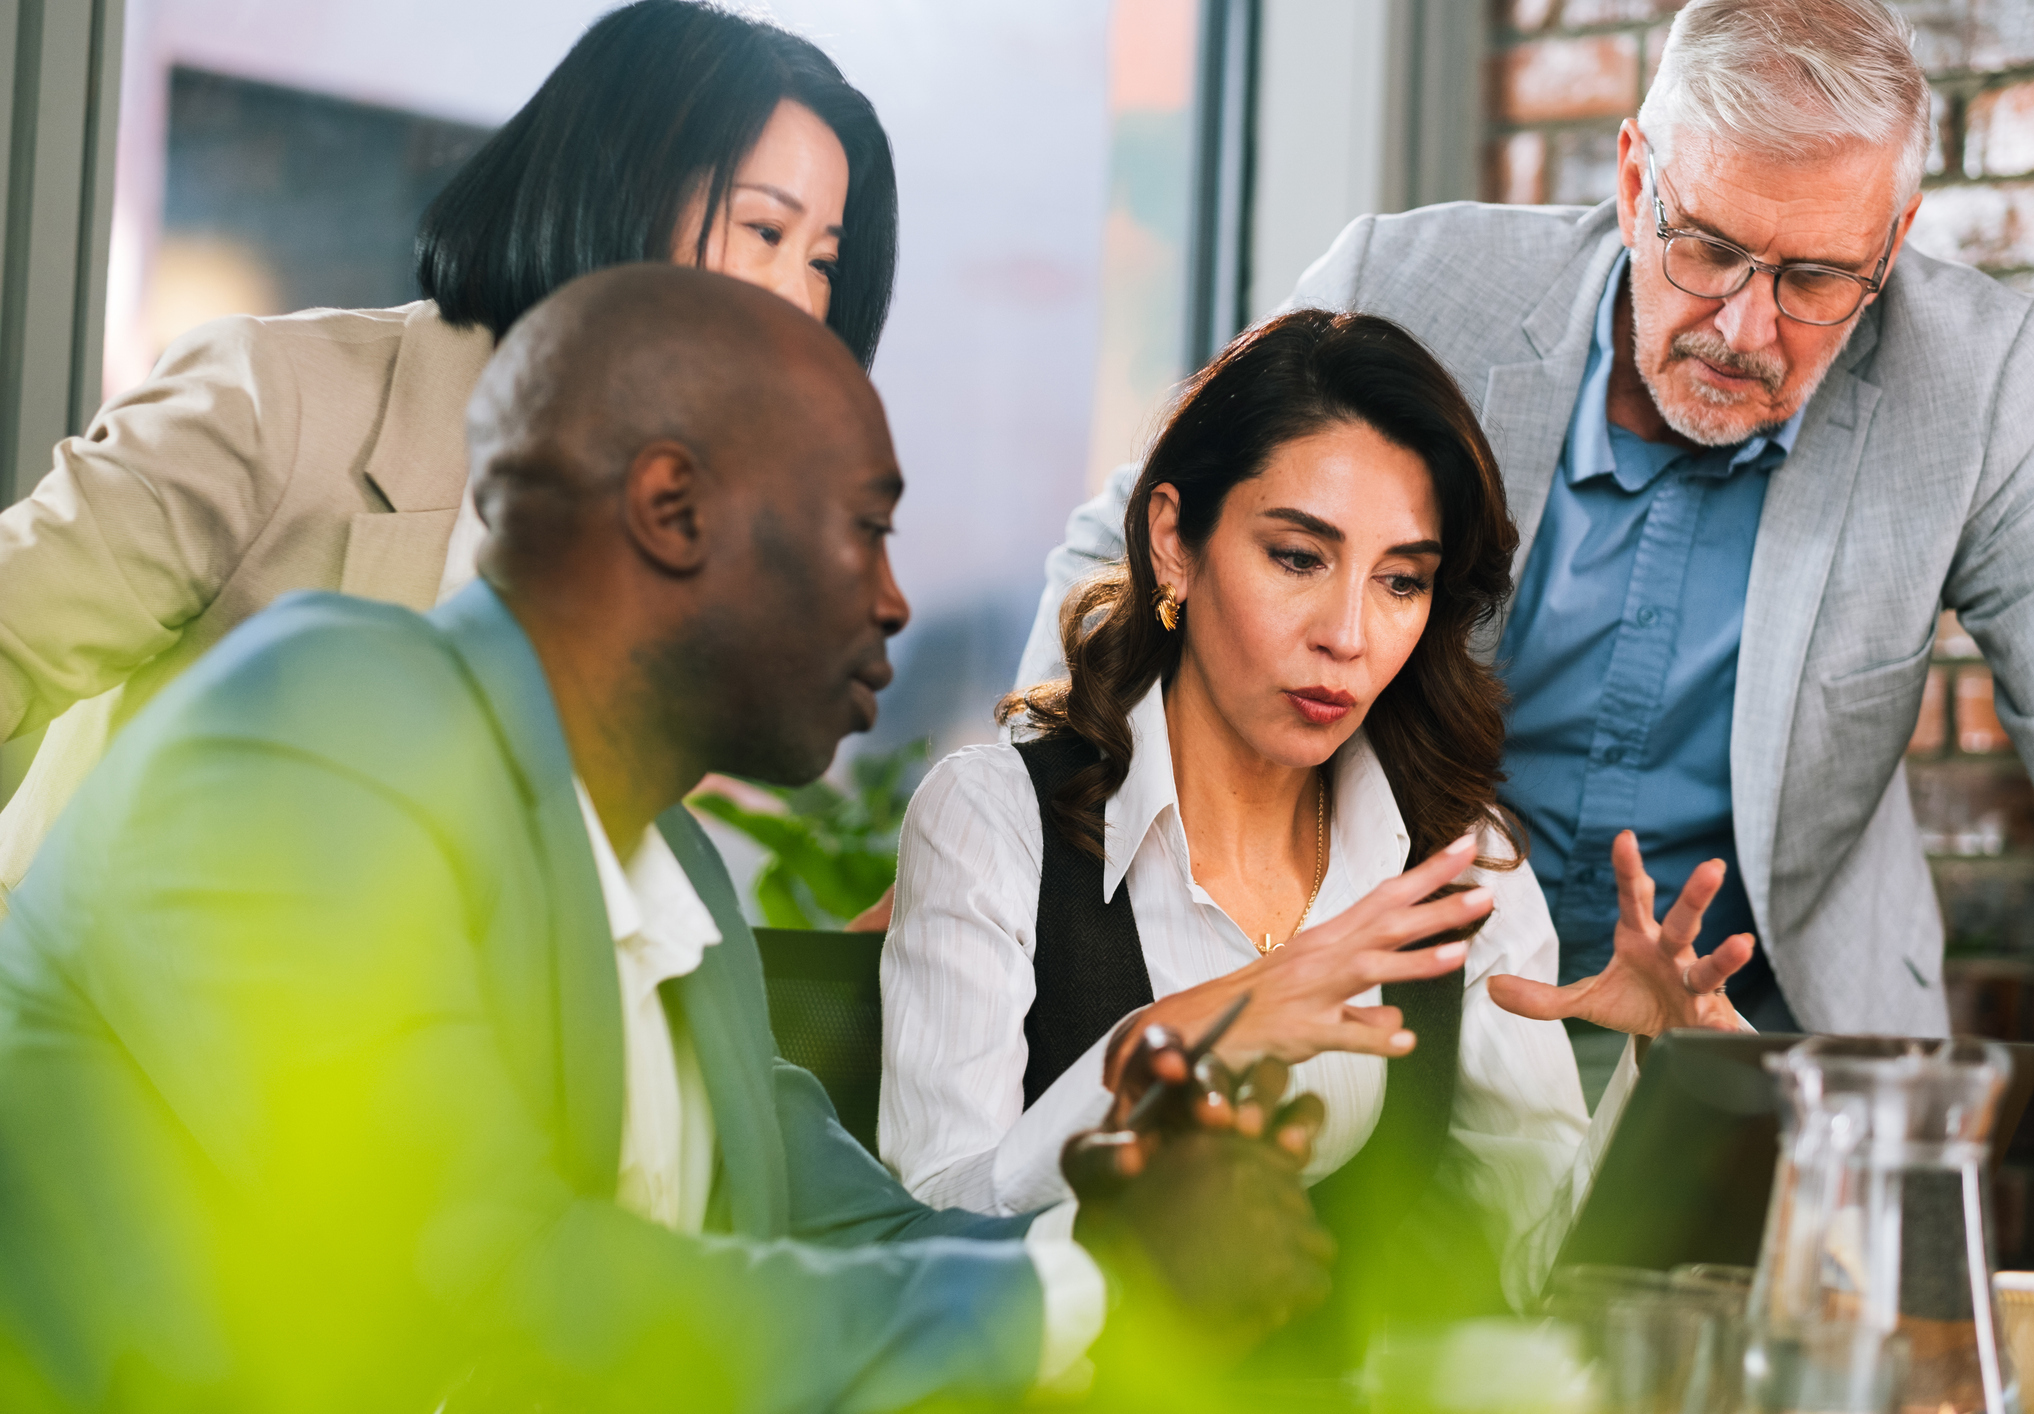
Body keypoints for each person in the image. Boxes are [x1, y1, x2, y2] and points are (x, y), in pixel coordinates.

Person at [0, 265, 1335, 1413]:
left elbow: (837, 1229)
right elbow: (483, 1288)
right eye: (863, 526)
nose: (893, 598)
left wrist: (1129, 1221)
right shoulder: (328, 719)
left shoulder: (670, 868)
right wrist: (1082, 1286)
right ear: (672, 508)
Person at [1018, 0, 2034, 1099]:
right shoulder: (1410, 291)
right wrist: (1043, 869)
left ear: (1894, 238)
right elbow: (1133, 554)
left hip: (1757, 1036)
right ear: (1638, 182)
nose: (1745, 330)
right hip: (1407, 1009)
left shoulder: (1975, 378)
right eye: (1709, 250)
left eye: (1817, 280)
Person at [883, 309, 1753, 1340]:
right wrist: (1190, 1031)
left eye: (1401, 581)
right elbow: (922, 1239)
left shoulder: (1460, 863)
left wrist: (1665, 1081)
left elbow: (1533, 1275)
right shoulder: (993, 819)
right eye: (1299, 556)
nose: (1347, 635)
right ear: (1175, 540)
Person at [0, 0, 894, 919]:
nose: (799, 299)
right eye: (765, 233)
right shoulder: (278, 398)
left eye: (824, 261)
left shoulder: (680, 541)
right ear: (615, 193)